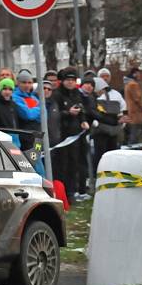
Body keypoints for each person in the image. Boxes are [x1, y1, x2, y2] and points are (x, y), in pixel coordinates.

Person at [52, 68, 90, 201]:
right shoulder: (57, 94)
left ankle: (76, 191)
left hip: (77, 135)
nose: (70, 83)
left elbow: (82, 109)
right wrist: (68, 113)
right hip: (63, 136)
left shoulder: (76, 93)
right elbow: (55, 114)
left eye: (73, 80)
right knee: (64, 165)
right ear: (62, 81)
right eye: (68, 80)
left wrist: (83, 120)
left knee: (77, 163)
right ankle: (66, 193)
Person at [90, 78, 124, 171]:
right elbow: (94, 114)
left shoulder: (115, 95)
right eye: (100, 90)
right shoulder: (92, 99)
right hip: (99, 131)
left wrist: (120, 120)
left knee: (112, 155)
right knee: (100, 156)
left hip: (113, 130)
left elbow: (123, 109)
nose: (102, 92)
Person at [12, 71, 41, 150]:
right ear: (18, 83)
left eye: (29, 82)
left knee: (38, 161)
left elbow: (44, 116)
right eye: (24, 82)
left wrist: (33, 111)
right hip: (24, 138)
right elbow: (28, 115)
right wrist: (39, 109)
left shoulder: (33, 97)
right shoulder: (15, 97)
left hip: (36, 137)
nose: (27, 85)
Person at [124, 67, 142, 145]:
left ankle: (131, 146)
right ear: (135, 74)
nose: (139, 76)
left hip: (131, 111)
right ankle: (134, 148)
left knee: (133, 132)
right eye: (138, 74)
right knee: (136, 133)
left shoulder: (127, 84)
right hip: (136, 113)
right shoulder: (133, 84)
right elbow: (137, 99)